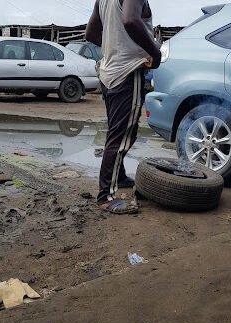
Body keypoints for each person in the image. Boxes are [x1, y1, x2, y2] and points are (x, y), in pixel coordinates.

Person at [86, 0, 161, 214]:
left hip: (108, 71)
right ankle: (105, 196)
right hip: (127, 73)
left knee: (118, 131)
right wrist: (155, 53)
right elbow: (130, 20)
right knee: (121, 136)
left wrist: (114, 47)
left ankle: (118, 175)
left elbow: (90, 34)